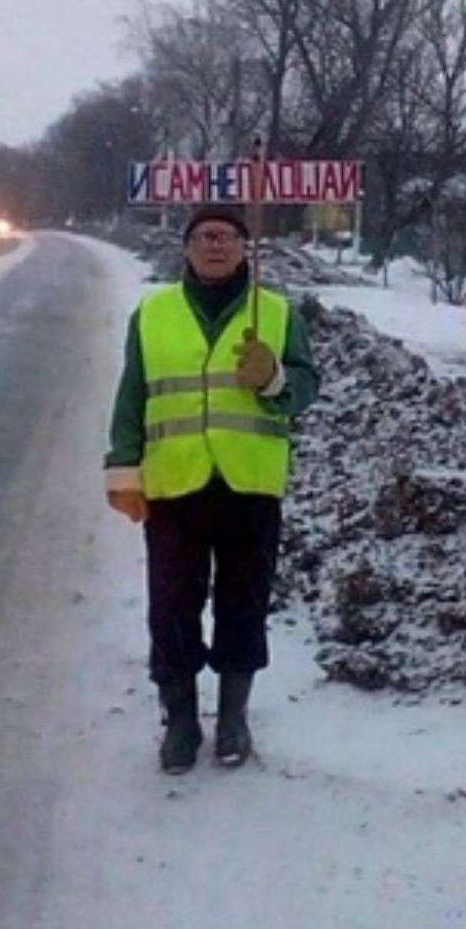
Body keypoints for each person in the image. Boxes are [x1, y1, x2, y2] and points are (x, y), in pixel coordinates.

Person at [104, 202, 320, 773]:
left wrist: (274, 378)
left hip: (250, 483)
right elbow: (132, 397)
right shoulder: (153, 314)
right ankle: (179, 720)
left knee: (242, 604)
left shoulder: (275, 312)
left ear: (245, 247)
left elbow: (306, 385)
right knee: (172, 605)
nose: (216, 245)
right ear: (188, 248)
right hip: (175, 483)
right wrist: (123, 467)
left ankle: (233, 716)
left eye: (226, 236)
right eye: (204, 236)